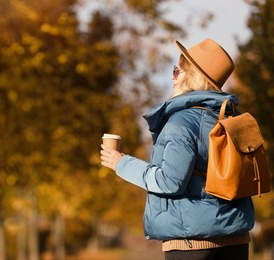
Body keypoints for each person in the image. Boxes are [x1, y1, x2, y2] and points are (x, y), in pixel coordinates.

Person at [100, 38, 254, 260]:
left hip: (193, 245)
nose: (172, 77)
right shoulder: (231, 119)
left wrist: (121, 163)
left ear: (191, 77)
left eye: (176, 71)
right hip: (237, 240)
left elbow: (169, 182)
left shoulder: (182, 122)